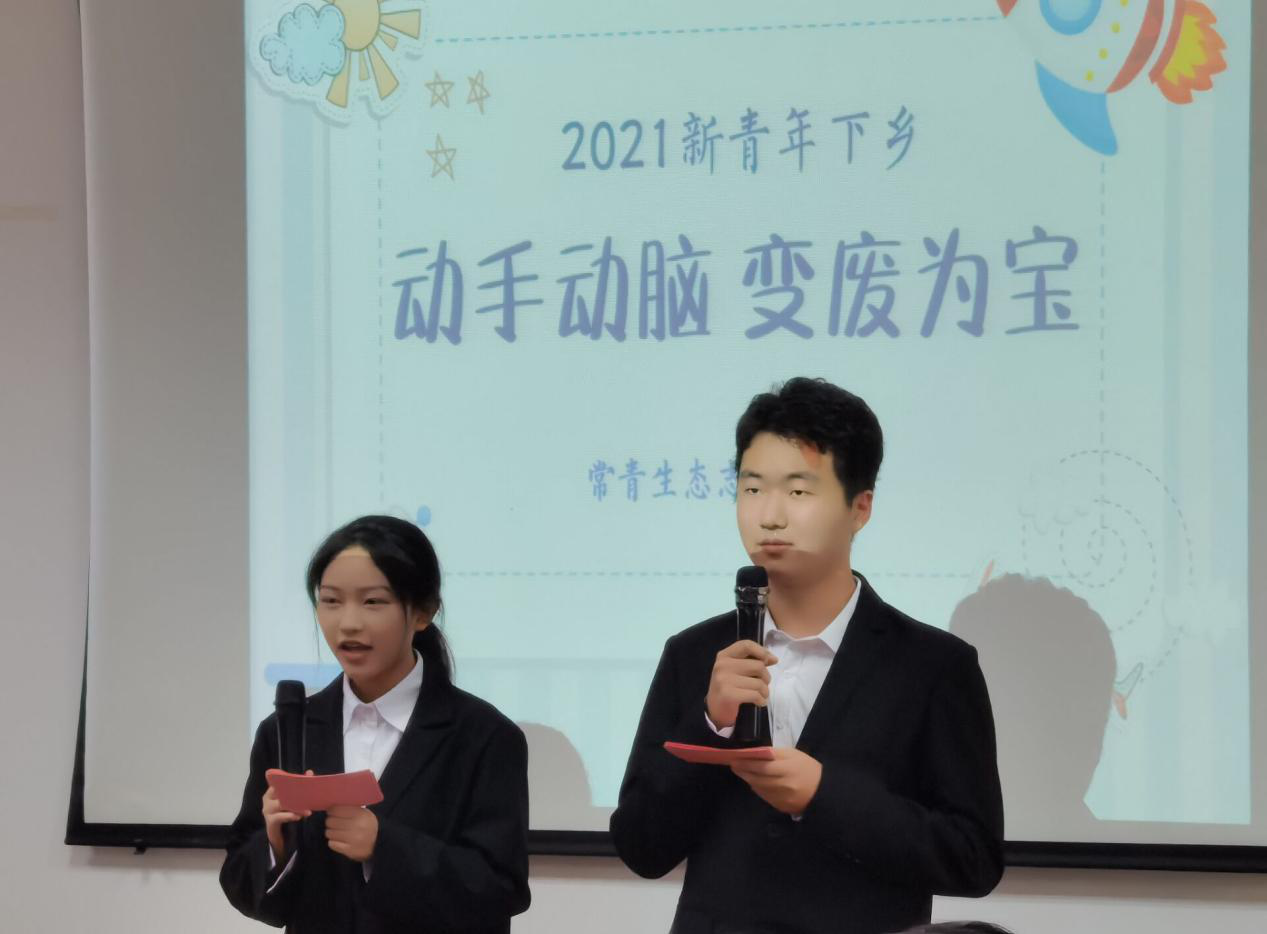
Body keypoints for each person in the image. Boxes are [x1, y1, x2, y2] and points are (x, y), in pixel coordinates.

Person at [610, 378, 1004, 934]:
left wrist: (824, 795)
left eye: (798, 492)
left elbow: (973, 857)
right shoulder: (694, 654)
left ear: (860, 507)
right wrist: (711, 723)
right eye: (752, 489)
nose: (769, 515)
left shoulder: (934, 666)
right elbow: (640, 847)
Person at [221, 515, 530, 933]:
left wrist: (383, 847)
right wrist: (276, 845)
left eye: (373, 602)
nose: (348, 623)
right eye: (331, 600)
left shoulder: (485, 737)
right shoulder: (287, 730)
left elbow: (500, 889)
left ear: (423, 612)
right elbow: (243, 886)